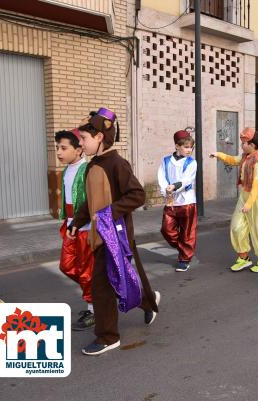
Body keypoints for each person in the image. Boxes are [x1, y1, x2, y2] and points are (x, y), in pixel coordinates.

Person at [70, 108, 159, 355]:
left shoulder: (117, 164)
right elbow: (90, 202)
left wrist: (110, 212)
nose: (81, 144)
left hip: (115, 235)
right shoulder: (92, 166)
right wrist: (77, 222)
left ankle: (108, 336)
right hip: (101, 234)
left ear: (99, 137)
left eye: (84, 139)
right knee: (122, 276)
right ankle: (147, 301)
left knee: (103, 285)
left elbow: (137, 195)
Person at [210, 128, 258, 272]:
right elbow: (233, 160)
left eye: (244, 143)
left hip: (255, 197)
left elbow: (257, 184)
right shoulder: (246, 156)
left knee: (257, 228)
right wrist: (218, 154)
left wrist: (249, 204)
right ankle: (244, 257)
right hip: (244, 194)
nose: (241, 146)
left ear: (252, 145)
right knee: (236, 226)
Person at [55, 128, 95, 330]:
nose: (59, 152)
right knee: (67, 265)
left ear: (79, 149)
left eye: (63, 148)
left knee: (87, 272)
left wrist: (79, 222)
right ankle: (96, 297)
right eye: (57, 148)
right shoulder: (65, 171)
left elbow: (91, 201)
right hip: (70, 227)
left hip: (85, 228)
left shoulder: (88, 170)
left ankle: (93, 308)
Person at [158, 130, 198, 272]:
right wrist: (165, 190)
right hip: (170, 201)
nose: (189, 150)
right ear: (177, 146)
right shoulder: (165, 160)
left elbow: (187, 179)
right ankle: (184, 247)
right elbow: (161, 176)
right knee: (166, 230)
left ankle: (184, 259)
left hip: (187, 201)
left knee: (187, 232)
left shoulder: (192, 162)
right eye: (186, 147)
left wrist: (174, 187)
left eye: (191, 147)